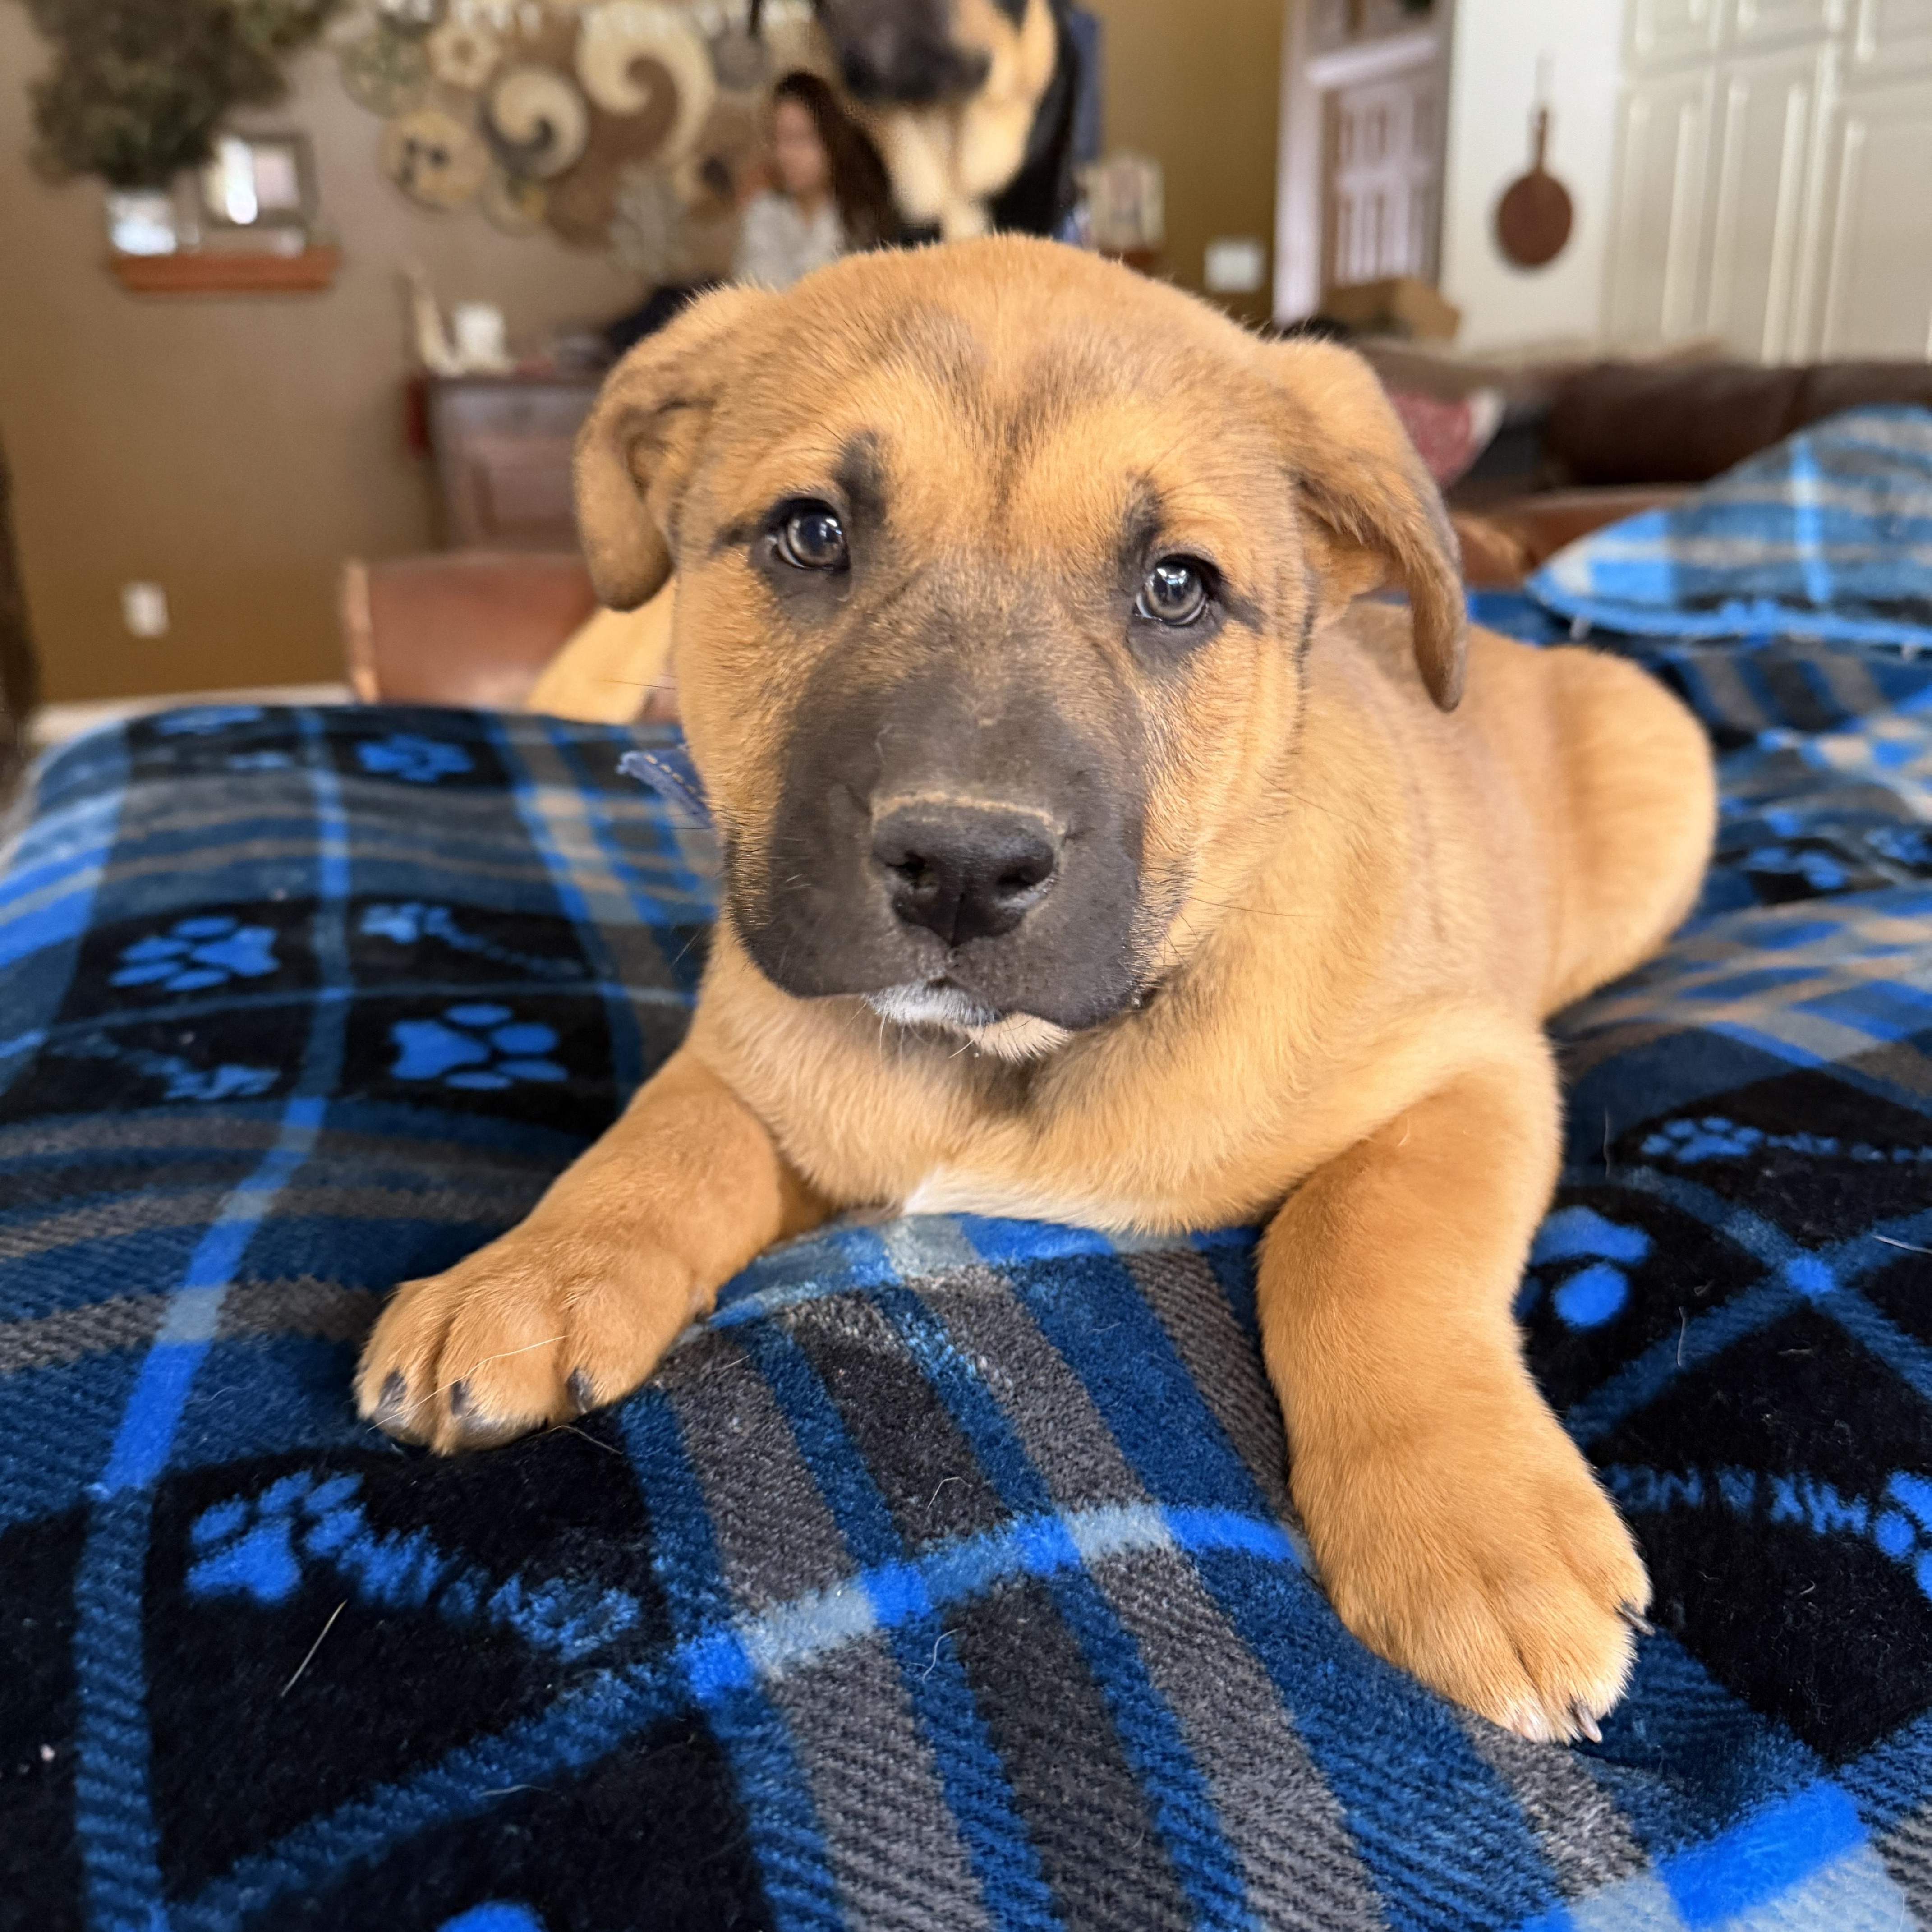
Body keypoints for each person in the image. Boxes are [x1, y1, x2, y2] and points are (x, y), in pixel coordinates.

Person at [733, 70, 897, 288]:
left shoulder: (859, 218)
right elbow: (747, 291)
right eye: (778, 139)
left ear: (831, 141)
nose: (786, 154)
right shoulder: (763, 213)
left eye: (800, 139)